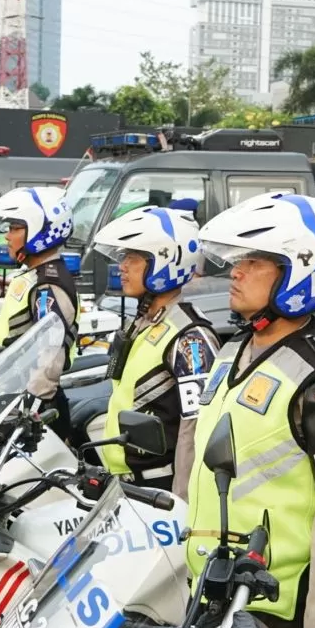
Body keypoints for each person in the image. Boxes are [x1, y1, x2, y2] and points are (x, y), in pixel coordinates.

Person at [181, 193, 315, 628]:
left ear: (300, 273)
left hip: (274, 615)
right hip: (214, 594)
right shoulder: (234, 350)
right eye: (238, 260)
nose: (237, 271)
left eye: (255, 262)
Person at [90, 205, 221, 493]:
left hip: (160, 488)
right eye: (123, 257)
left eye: (133, 258)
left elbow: (195, 428)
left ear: (166, 262)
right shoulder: (143, 320)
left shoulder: (190, 337)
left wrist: (183, 503)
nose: (122, 266)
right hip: (124, 481)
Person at [0, 187, 80, 439]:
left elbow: (50, 355)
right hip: (15, 399)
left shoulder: (48, 283)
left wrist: (30, 410)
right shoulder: (35, 275)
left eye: (15, 228)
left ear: (40, 231)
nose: (7, 236)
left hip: (35, 411)